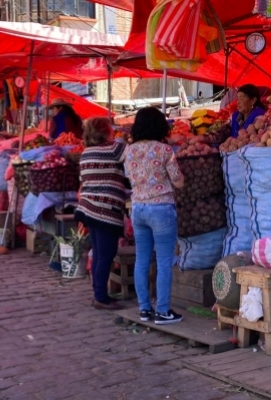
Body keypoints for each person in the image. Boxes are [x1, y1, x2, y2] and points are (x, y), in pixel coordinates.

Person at [123, 107, 185, 325]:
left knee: (142, 259)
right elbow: (178, 181)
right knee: (164, 261)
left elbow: (129, 177)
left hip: (138, 209)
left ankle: (144, 309)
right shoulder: (164, 150)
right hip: (161, 210)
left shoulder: (129, 151)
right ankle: (163, 311)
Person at [74, 117, 127, 311]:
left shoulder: (86, 153)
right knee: (106, 254)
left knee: (98, 253)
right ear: (106, 131)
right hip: (105, 209)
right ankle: (101, 297)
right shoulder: (114, 149)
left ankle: (98, 293)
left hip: (88, 207)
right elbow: (133, 159)